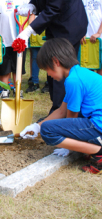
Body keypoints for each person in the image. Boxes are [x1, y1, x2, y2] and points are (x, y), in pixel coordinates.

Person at [0, 0, 88, 113]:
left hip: (69, 23)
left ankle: (65, 113)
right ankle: (56, 109)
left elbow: (55, 6)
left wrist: (28, 31)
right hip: (54, 22)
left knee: (61, 69)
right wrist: (32, 6)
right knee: (51, 68)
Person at [20, 38, 102, 174]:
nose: (48, 75)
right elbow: (62, 110)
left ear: (55, 62)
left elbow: (71, 117)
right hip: (97, 122)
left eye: (47, 69)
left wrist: (68, 145)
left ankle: (98, 152)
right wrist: (36, 126)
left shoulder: (73, 80)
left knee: (48, 130)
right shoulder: (79, 73)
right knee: (44, 126)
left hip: (98, 124)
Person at [80, 0, 102, 75]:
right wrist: (81, 33)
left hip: (99, 38)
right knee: (87, 68)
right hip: (86, 38)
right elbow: (80, 15)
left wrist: (98, 33)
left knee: (100, 67)